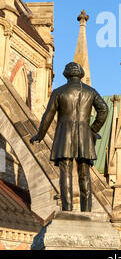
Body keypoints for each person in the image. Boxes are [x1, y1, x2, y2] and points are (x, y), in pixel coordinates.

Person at [30, 62, 108, 212]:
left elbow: (48, 116)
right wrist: (93, 129)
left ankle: (67, 209)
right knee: (84, 174)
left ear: (66, 74)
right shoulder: (90, 91)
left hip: (64, 136)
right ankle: (87, 211)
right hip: (84, 136)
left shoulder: (59, 92)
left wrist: (40, 135)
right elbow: (104, 110)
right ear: (81, 74)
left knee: (65, 172)